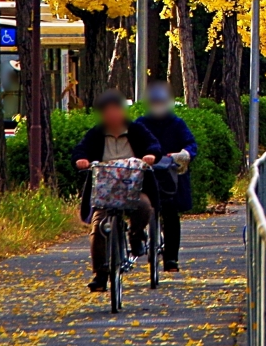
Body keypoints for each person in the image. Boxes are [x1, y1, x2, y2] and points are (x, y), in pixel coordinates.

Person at [70, 91, 160, 292]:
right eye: (107, 112)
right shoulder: (96, 134)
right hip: (106, 191)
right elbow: (80, 150)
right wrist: (81, 160)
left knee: (144, 207)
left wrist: (150, 155)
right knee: (99, 226)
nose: (112, 116)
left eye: (115, 111)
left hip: (134, 188)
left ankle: (136, 237)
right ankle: (101, 274)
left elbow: (153, 145)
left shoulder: (137, 130)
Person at [131, 82, 198, 272]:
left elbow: (190, 144)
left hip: (169, 176)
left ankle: (171, 259)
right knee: (138, 207)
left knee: (170, 212)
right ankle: (137, 237)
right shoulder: (141, 124)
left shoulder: (176, 124)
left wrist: (183, 154)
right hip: (145, 175)